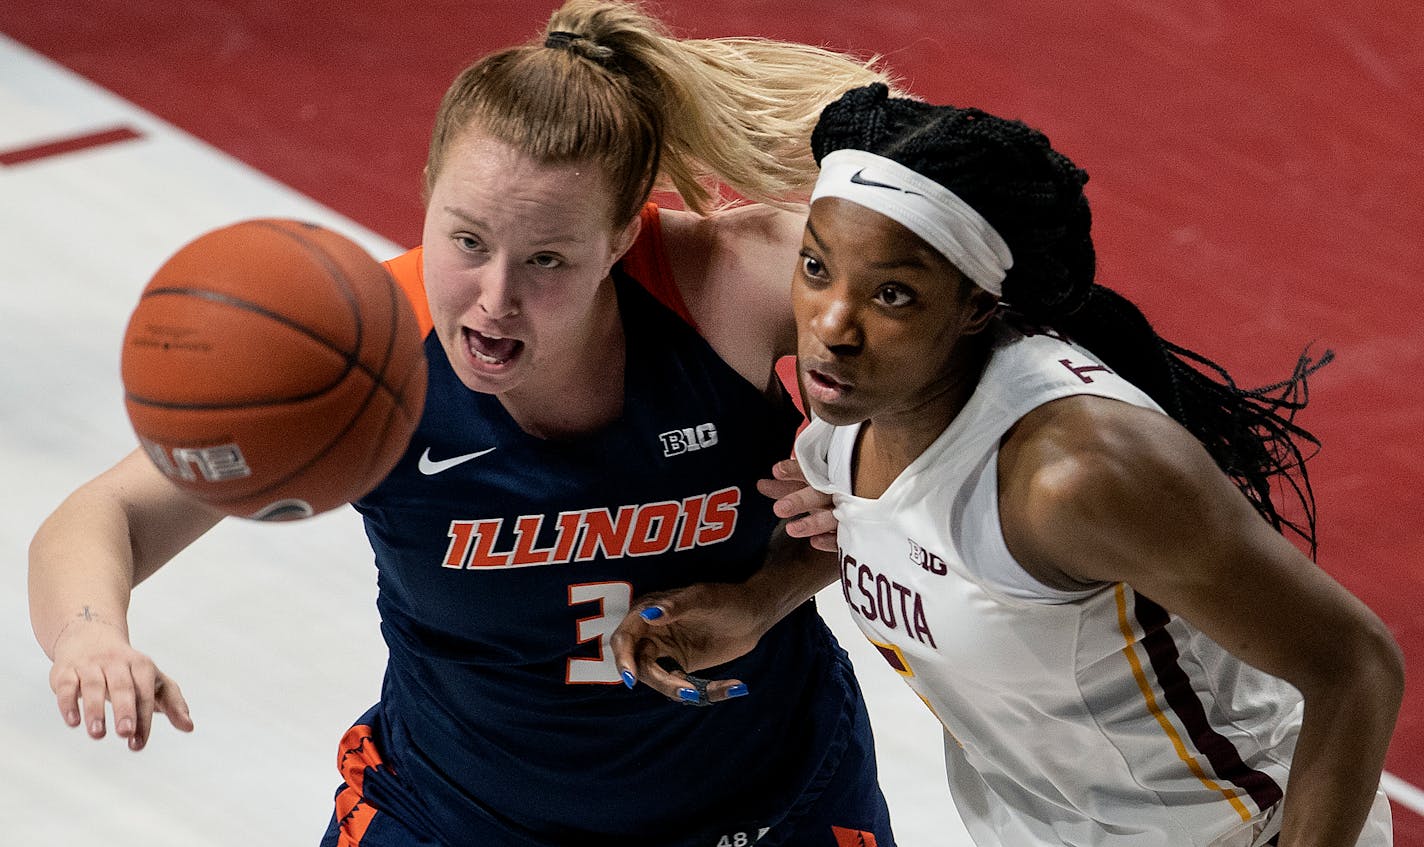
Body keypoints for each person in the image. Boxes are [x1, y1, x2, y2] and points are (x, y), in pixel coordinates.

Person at [27, 4, 904, 845]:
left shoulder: (732, 288)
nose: (493, 301)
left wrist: (870, 484)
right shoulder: (363, 347)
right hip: (455, 816)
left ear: (622, 233)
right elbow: (110, 513)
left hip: (769, 801)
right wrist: (89, 634)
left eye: (547, 259)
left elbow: (990, 328)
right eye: (467, 241)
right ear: (427, 193)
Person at [612, 83, 1405, 847]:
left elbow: (1355, 665)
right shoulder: (859, 404)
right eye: (817, 269)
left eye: (894, 294)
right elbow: (917, 541)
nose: (832, 325)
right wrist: (760, 601)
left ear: (978, 307)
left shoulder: (1075, 472)